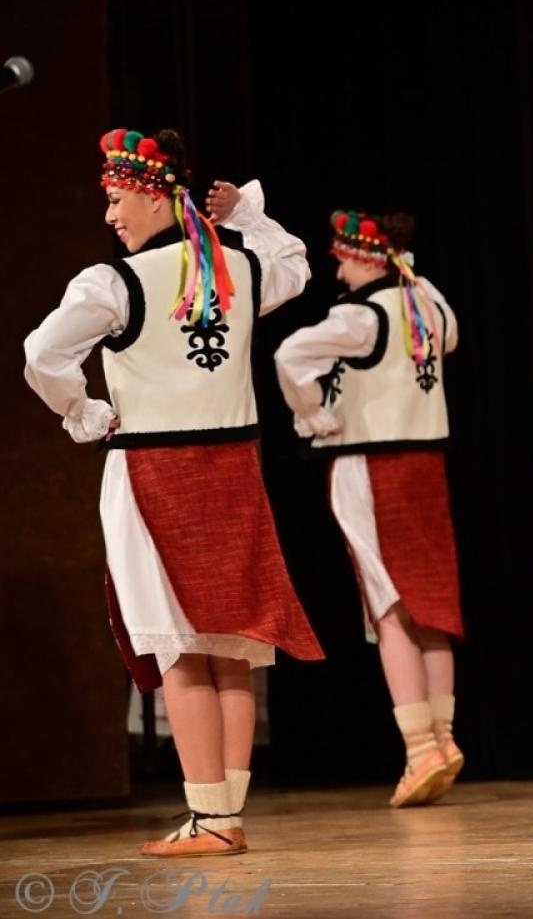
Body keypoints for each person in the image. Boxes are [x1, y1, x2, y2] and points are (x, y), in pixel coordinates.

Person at [23, 129, 323, 856]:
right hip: (233, 470)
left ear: (156, 194)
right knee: (229, 649)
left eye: (118, 198)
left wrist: (81, 411)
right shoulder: (240, 267)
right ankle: (226, 815)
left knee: (182, 649)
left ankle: (209, 815)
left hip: (155, 472)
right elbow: (295, 265)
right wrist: (245, 216)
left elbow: (42, 353)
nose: (110, 216)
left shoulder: (112, 284)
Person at [273, 210, 465, 808]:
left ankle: (419, 749)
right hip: (426, 466)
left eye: (346, 256)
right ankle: (444, 736)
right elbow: (452, 337)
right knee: (430, 603)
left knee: (388, 607)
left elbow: (289, 355)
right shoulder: (429, 307)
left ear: (367, 258)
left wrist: (312, 415)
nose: (339, 265)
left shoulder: (358, 318)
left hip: (370, 466)